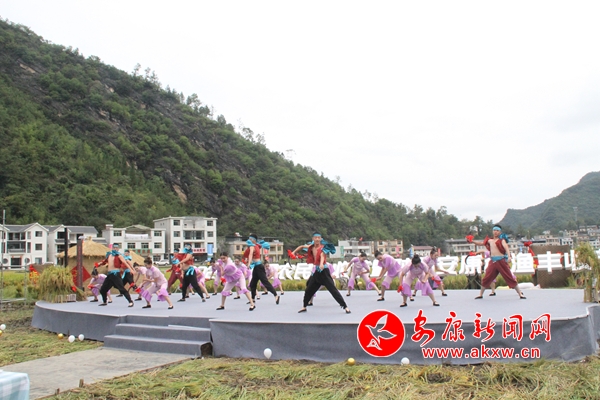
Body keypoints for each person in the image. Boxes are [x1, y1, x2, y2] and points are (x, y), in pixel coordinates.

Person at [295, 232, 350, 314]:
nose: (317, 239)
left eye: (319, 238)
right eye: (315, 237)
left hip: (324, 272)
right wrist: (293, 253)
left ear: (320, 239)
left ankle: (345, 307)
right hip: (317, 272)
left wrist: (321, 263)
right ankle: (304, 306)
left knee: (333, 290)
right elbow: (301, 246)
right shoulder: (311, 247)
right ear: (313, 239)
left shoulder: (323, 248)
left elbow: (322, 255)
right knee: (308, 290)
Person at [471, 224, 526, 300]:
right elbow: (481, 243)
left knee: (509, 277)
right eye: (494, 230)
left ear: (500, 232)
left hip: (501, 261)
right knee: (487, 278)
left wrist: (509, 256)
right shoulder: (490, 240)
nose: (495, 232)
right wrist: (472, 241)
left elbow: (506, 248)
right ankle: (480, 294)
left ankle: (520, 293)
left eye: (497, 230)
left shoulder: (501, 240)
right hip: (493, 261)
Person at [246, 233, 280, 304]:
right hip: (256, 267)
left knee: (265, 282)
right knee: (253, 284)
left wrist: (249, 263)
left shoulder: (253, 246)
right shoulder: (257, 246)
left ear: (254, 240)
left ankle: (276, 295)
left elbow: (250, 254)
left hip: (259, 267)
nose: (249, 240)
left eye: (250, 239)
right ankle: (252, 299)